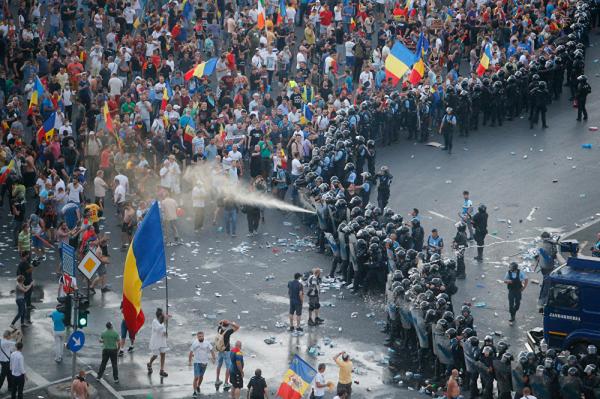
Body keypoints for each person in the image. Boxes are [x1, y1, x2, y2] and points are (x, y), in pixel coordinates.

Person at [215, 320, 240, 391]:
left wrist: (223, 321)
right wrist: (231, 323)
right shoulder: (228, 332)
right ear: (227, 325)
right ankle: (226, 382)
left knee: (219, 365)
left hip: (220, 350)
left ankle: (217, 380)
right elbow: (237, 327)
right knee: (228, 367)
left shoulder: (219, 329)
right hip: (226, 351)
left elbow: (219, 322)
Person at [188, 331, 216, 397]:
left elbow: (212, 350)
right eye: (199, 337)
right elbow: (191, 352)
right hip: (197, 362)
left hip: (204, 362)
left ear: (203, 336)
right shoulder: (195, 343)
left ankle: (198, 386)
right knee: (196, 377)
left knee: (201, 376)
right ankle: (194, 392)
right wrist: (189, 361)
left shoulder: (207, 342)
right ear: (197, 337)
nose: (201, 338)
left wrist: (214, 358)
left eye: (202, 336)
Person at [148, 308, 169, 377]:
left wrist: (165, 333)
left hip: (162, 341)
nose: (164, 315)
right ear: (160, 316)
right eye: (163, 314)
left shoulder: (162, 322)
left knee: (163, 354)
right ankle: (149, 363)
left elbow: (163, 330)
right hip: (156, 342)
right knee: (155, 355)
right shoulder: (155, 321)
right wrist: (164, 322)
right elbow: (158, 328)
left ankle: (162, 370)